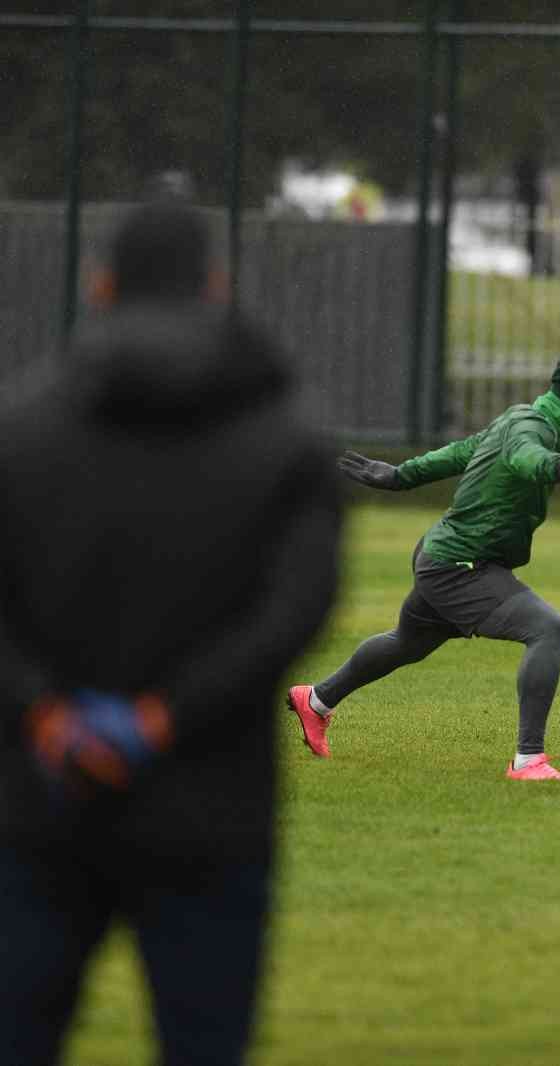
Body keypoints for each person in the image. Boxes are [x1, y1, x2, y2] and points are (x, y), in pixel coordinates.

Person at [0, 201, 343, 1065]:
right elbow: (294, 610)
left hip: (38, 796)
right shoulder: (290, 437)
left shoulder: (21, 431)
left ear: (101, 288)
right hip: (211, 801)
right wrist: (163, 719)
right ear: (215, 289)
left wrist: (44, 712)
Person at [287, 354, 560, 782]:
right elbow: (526, 457)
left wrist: (401, 475)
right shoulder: (534, 431)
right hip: (460, 566)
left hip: (441, 555)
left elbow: (462, 451)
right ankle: (528, 760)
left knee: (409, 642)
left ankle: (316, 701)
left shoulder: (521, 416)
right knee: (548, 629)